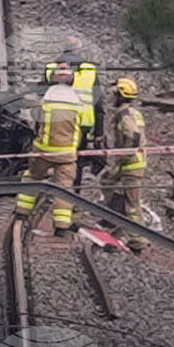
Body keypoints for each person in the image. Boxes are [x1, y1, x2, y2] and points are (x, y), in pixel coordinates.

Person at [16, 63, 83, 237]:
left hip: (43, 150)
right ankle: (61, 226)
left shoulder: (45, 101)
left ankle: (21, 212)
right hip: (67, 153)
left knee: (32, 177)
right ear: (72, 81)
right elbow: (83, 126)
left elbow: (35, 121)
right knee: (64, 188)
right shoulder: (78, 102)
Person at [44, 37, 105, 190]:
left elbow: (40, 96)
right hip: (82, 123)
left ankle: (55, 189)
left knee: (54, 155)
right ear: (79, 50)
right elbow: (98, 102)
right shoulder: (89, 71)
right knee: (75, 160)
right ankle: (74, 193)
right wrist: (99, 132)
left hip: (54, 121)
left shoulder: (51, 68)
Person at [101, 78, 149, 252]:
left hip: (131, 165)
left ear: (120, 96)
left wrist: (124, 155)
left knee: (132, 204)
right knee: (106, 182)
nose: (112, 97)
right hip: (132, 164)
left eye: (115, 94)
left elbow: (133, 136)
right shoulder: (133, 112)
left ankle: (138, 240)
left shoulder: (125, 114)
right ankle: (114, 223)